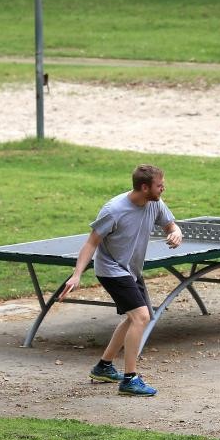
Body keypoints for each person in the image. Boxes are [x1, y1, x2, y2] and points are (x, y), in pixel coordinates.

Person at [59, 164, 183, 396]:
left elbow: (170, 224)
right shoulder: (114, 210)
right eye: (159, 185)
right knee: (141, 316)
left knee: (134, 318)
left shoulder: (155, 203)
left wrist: (176, 232)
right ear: (145, 187)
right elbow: (91, 243)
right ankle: (130, 379)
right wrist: (76, 274)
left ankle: (104, 367)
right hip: (111, 270)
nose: (163, 188)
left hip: (131, 270)